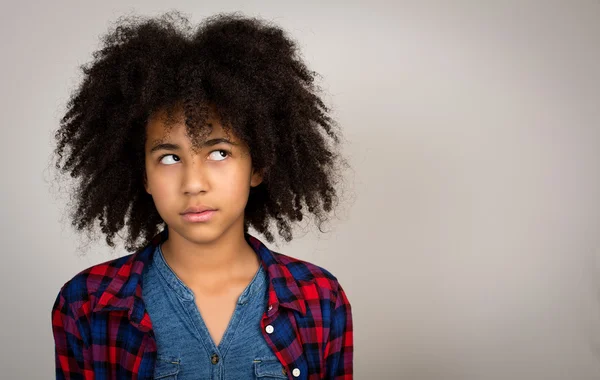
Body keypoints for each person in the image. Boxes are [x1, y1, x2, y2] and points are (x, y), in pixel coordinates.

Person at [50, 11, 353, 380]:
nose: (193, 183)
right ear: (143, 175)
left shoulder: (320, 298)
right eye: (170, 157)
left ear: (257, 166)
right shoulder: (86, 304)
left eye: (219, 152)